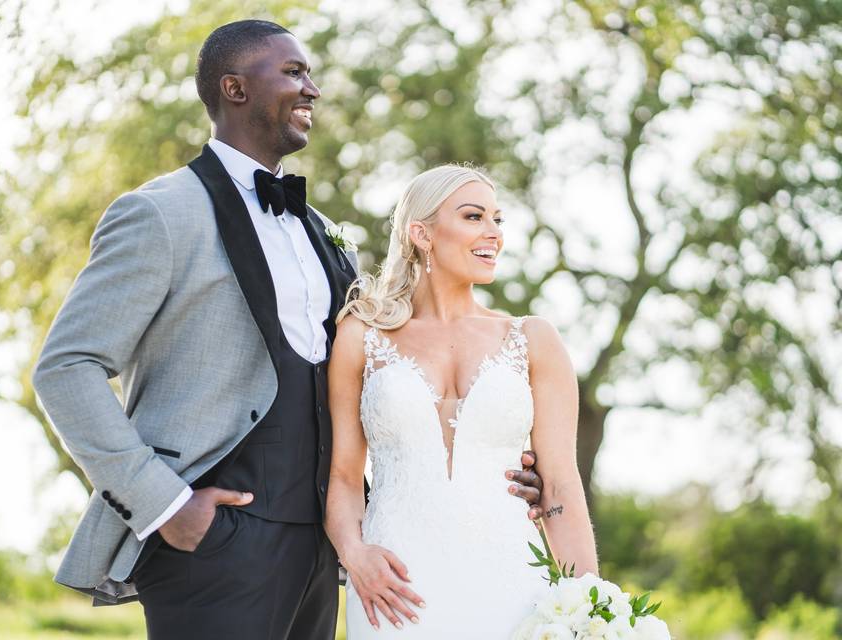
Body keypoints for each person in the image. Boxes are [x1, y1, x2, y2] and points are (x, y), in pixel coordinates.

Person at [33, 19, 545, 640]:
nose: (313, 90)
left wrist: (484, 465)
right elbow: (66, 368)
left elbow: (385, 377)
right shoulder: (158, 214)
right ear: (235, 88)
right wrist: (167, 505)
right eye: (294, 73)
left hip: (327, 550)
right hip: (211, 541)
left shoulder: (326, 233)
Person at [325, 164, 598, 638]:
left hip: (512, 583)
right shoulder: (361, 336)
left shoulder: (534, 340)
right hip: (394, 587)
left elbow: (560, 487)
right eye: (475, 217)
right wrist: (354, 553)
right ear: (422, 234)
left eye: (498, 219)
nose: (494, 233)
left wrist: (592, 610)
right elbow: (345, 477)